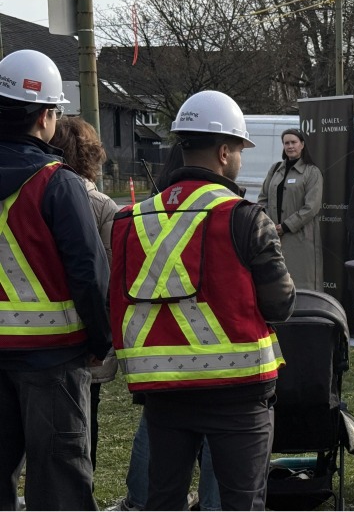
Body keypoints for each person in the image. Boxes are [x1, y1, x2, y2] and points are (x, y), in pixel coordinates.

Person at [110, 90, 295, 510]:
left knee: (164, 499)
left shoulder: (130, 220)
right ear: (226, 151)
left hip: (163, 391)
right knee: (240, 502)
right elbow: (280, 305)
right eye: (241, 150)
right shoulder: (246, 218)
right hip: (239, 393)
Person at [0, 49, 111, 510]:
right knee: (60, 482)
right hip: (53, 360)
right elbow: (88, 272)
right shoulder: (56, 183)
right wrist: (99, 340)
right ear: (46, 115)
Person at [112, 140, 222, 512]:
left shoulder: (141, 217)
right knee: (216, 436)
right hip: (212, 345)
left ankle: (140, 499)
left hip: (157, 348)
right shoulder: (220, 213)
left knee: (154, 429)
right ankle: (211, 504)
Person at [50, 116, 119, 475]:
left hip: (30, 332)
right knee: (82, 421)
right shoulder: (103, 206)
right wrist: (103, 338)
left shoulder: (29, 193)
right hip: (82, 332)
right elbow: (106, 276)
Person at [258, 128, 323, 290]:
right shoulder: (275, 170)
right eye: (286, 143)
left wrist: (285, 226)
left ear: (302, 145)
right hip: (274, 238)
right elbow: (262, 199)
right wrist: (269, 225)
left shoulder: (311, 172)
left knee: (301, 285)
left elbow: (311, 207)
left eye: (293, 142)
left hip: (300, 239)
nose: (290, 146)